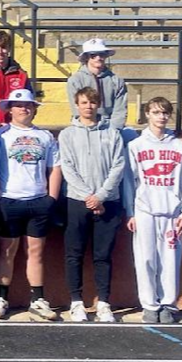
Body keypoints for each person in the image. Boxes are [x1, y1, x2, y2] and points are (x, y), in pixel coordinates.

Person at [0, 89, 62, 321]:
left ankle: (38, 299)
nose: (24, 109)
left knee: (36, 251)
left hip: (38, 200)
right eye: (19, 105)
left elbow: (55, 168)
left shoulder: (45, 137)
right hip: (10, 200)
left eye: (29, 105)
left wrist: (51, 198)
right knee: (7, 251)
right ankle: (2, 298)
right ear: (9, 109)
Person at [124, 97, 182, 324]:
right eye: (156, 112)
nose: (161, 117)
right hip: (144, 210)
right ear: (147, 114)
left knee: (170, 260)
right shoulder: (136, 145)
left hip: (172, 212)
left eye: (165, 113)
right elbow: (129, 181)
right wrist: (131, 211)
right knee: (145, 259)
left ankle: (167, 304)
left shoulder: (178, 147)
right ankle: (149, 304)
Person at [60, 87, 126, 323]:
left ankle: (104, 303)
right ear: (77, 105)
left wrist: (101, 196)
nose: (88, 106)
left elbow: (118, 166)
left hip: (108, 203)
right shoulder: (67, 135)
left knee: (103, 255)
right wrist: (89, 196)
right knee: (74, 254)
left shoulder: (112, 133)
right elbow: (68, 168)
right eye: (84, 102)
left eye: (92, 102)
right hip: (78, 202)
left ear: (99, 105)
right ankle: (76, 302)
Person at [67, 38, 128, 129]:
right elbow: (77, 110)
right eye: (93, 55)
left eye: (102, 54)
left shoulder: (117, 81)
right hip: (83, 127)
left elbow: (120, 111)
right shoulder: (75, 80)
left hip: (111, 126)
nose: (98, 58)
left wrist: (113, 131)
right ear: (86, 57)